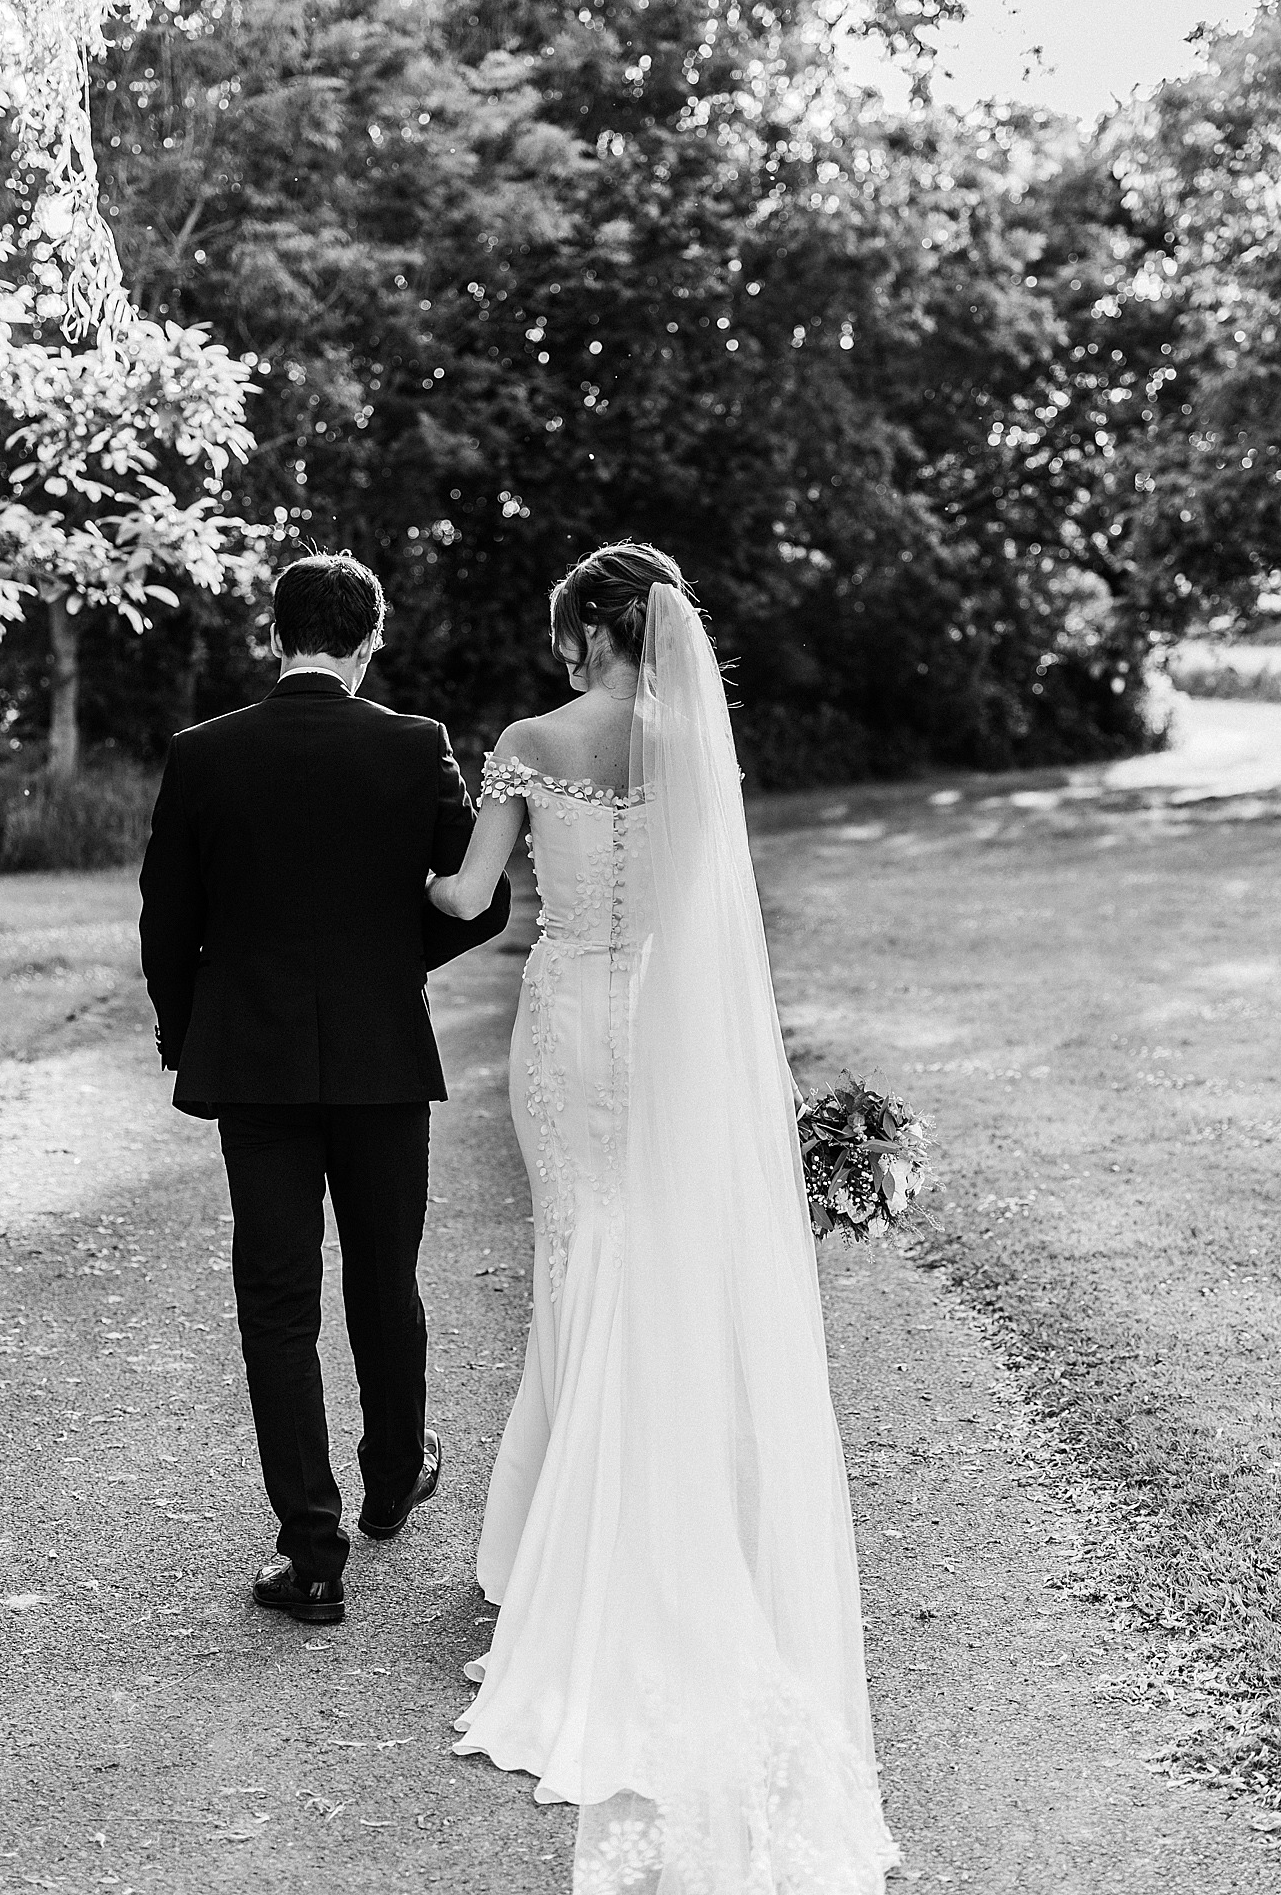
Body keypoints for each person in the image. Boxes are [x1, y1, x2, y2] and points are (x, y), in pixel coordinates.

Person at [427, 543, 899, 1892]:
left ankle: (563, 1556)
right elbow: (709, 918)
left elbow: (471, 898)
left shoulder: (530, 737)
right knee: (648, 1261)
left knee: (577, 1256)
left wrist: (390, 890)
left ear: (587, 632)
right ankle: (661, 1518)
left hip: (569, 1019)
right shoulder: (693, 744)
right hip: (669, 1028)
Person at [137, 554, 511, 1625]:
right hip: (381, 1056)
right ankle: (394, 1480)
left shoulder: (204, 752)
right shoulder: (413, 744)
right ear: (370, 636)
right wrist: (391, 966)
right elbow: (478, 904)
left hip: (250, 1063)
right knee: (383, 1275)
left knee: (277, 1300)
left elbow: (167, 917)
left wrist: (187, 1033)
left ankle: (310, 1551)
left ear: (273, 632)